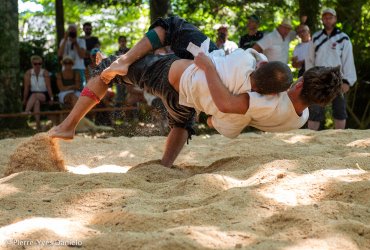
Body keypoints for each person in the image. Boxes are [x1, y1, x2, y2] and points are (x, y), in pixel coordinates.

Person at [49, 16, 341, 167]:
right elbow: (227, 114)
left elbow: (228, 104)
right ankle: (165, 163)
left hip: (185, 74)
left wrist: (211, 66)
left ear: (300, 84)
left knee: (162, 32)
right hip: (194, 95)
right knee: (183, 119)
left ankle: (68, 124)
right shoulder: (297, 119)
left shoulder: (262, 96)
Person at [305, 8, 356, 130]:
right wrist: (310, 77)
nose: (327, 20)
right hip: (318, 78)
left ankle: (339, 139)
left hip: (337, 78)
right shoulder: (316, 37)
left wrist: (347, 81)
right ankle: (310, 139)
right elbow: (309, 59)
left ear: (335, 19)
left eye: (330, 17)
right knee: (315, 110)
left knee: (339, 109)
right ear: (322, 19)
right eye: (325, 17)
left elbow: (348, 60)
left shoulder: (343, 38)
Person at [23, 55, 54, 130]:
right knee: (36, 102)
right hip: (32, 95)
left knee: (35, 95)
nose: (37, 65)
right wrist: (24, 99)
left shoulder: (45, 73)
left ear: (41, 64)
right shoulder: (28, 73)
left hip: (44, 94)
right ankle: (38, 124)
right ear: (32, 64)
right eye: (35, 64)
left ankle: (26, 113)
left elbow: (48, 87)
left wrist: (52, 98)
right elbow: (26, 88)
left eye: (39, 63)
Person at [58, 24, 87, 89]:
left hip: (79, 68)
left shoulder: (81, 41)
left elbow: (82, 56)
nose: (72, 33)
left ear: (76, 32)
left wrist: (76, 43)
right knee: (67, 88)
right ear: (67, 32)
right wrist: (65, 39)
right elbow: (59, 54)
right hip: (66, 68)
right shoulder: (63, 41)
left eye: (74, 31)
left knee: (81, 89)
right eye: (70, 31)